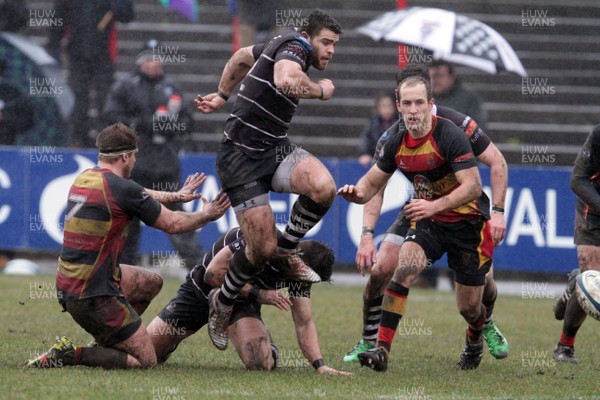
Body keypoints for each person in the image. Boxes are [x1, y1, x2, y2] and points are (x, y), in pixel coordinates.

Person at [195, 9, 342, 351]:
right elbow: (287, 80)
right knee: (261, 248)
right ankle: (223, 302)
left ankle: (289, 247)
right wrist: (320, 91)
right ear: (308, 36)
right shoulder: (295, 48)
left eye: (335, 45)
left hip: (273, 149)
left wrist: (222, 94)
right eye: (326, 42)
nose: (331, 51)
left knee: (324, 188)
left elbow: (239, 57)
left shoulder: (278, 43)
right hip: (239, 158)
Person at [28, 123, 230, 369]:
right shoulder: (122, 189)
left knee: (150, 282)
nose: (135, 161)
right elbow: (174, 224)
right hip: (94, 295)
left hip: (71, 286)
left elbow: (137, 192)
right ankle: (71, 354)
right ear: (125, 156)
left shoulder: (87, 178)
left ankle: (113, 338)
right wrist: (207, 215)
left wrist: (175, 196)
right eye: (134, 155)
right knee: (144, 361)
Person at [343, 66, 509, 363]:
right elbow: (372, 186)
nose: (413, 110)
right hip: (427, 215)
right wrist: (360, 207)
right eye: (407, 103)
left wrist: (497, 212)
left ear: (430, 101)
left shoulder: (455, 129)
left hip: (467, 220)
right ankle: (378, 348)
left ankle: (478, 332)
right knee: (396, 268)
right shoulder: (392, 139)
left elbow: (481, 178)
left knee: (472, 304)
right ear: (398, 104)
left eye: (419, 102)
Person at [146, 227, 351, 376]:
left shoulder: (300, 275)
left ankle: (267, 346)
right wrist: (260, 294)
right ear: (296, 260)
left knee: (260, 363)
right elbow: (213, 275)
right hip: (201, 292)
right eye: (302, 277)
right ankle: (168, 343)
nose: (302, 282)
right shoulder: (260, 241)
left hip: (241, 304)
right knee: (146, 356)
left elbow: (304, 322)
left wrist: (320, 365)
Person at [104, 39, 201, 270]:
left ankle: (200, 272)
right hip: (133, 168)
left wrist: (169, 125)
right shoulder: (125, 87)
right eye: (149, 59)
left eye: (157, 59)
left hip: (165, 167)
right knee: (126, 222)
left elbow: (188, 122)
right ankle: (121, 272)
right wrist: (144, 125)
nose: (154, 64)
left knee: (178, 220)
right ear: (140, 62)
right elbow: (110, 118)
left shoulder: (171, 88)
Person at [48, 0, 134, 147]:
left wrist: (120, 6)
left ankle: (106, 140)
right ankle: (77, 138)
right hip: (77, 54)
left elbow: (127, 16)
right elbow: (58, 19)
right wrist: (54, 47)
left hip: (104, 55)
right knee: (77, 99)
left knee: (105, 99)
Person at [552, 125, 600, 364]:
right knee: (591, 281)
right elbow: (578, 180)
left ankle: (574, 282)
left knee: (585, 281)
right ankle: (565, 346)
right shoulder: (599, 135)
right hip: (594, 213)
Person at [428, 60, 487, 132]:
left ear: (451, 77)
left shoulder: (468, 98)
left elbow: (478, 125)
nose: (435, 81)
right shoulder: (425, 97)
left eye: (440, 76)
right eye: (431, 76)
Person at [357, 92, 398, 167]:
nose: (386, 110)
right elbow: (366, 139)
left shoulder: (399, 123)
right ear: (378, 108)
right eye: (383, 106)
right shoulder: (373, 123)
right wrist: (364, 153)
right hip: (376, 158)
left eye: (389, 106)